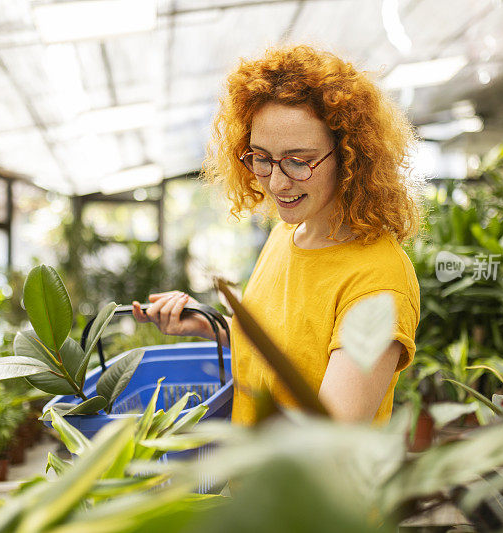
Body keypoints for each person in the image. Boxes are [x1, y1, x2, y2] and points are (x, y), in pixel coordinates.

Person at [133, 45, 420, 426]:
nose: (278, 182)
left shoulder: (377, 286)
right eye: (261, 158)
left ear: (351, 155)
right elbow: (287, 346)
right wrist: (210, 325)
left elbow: (328, 443)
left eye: (299, 161)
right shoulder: (290, 232)